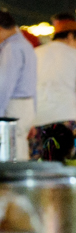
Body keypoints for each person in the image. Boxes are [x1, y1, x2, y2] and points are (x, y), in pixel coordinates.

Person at [0, 10, 37, 161]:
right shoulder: (26, 45)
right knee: (21, 150)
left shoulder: (12, 48)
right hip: (26, 106)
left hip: (14, 107)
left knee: (12, 154)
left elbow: (4, 86)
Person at [30, 15, 76, 160]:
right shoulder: (73, 54)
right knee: (66, 162)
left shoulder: (35, 53)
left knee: (42, 162)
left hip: (39, 118)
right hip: (68, 118)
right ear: (70, 36)